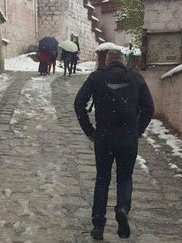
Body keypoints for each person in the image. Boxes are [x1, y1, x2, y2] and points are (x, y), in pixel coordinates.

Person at [74, 50, 154, 240]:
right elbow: (149, 108)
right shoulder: (136, 78)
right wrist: (138, 130)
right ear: (124, 62)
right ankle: (122, 208)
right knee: (125, 177)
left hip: (104, 136)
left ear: (106, 61)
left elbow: (79, 104)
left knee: (102, 179)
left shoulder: (96, 78)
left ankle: (98, 225)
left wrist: (89, 130)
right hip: (127, 136)